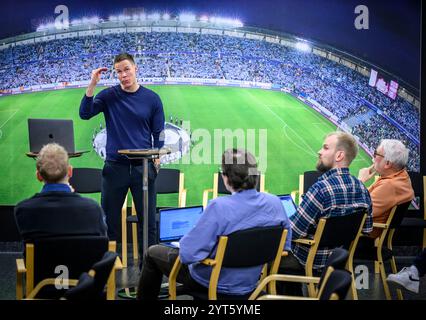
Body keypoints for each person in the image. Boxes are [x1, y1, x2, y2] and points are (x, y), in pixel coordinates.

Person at [137, 149, 292, 299]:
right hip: (251, 282)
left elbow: (188, 254)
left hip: (211, 281)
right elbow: (284, 246)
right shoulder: (275, 203)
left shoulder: (219, 207)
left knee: (152, 253)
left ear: (225, 177)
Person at [79, 52, 165, 250]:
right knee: (108, 223)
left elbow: (159, 133)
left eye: (127, 69)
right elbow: (85, 113)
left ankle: (148, 273)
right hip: (114, 168)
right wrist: (93, 83)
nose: (123, 75)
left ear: (135, 69)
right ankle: (107, 272)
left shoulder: (152, 98)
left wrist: (157, 158)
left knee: (149, 225)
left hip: (142, 168)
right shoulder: (109, 95)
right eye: (119, 72)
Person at [279, 132, 373, 294]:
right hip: (338, 260)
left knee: (269, 257)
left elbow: (293, 231)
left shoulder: (321, 189)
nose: (319, 151)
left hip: (309, 260)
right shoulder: (362, 189)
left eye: (325, 147)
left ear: (339, 155)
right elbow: (367, 230)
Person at [14, 143, 107, 243]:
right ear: (70, 172)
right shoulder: (92, 208)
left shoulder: (23, 210)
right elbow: (101, 242)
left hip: (43, 259)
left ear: (38, 176)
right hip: (82, 258)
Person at [358, 139, 414, 238]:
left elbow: (356, 210)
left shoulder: (389, 185)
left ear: (387, 164)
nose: (373, 157)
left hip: (361, 234)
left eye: (376, 154)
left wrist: (360, 181)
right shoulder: (401, 176)